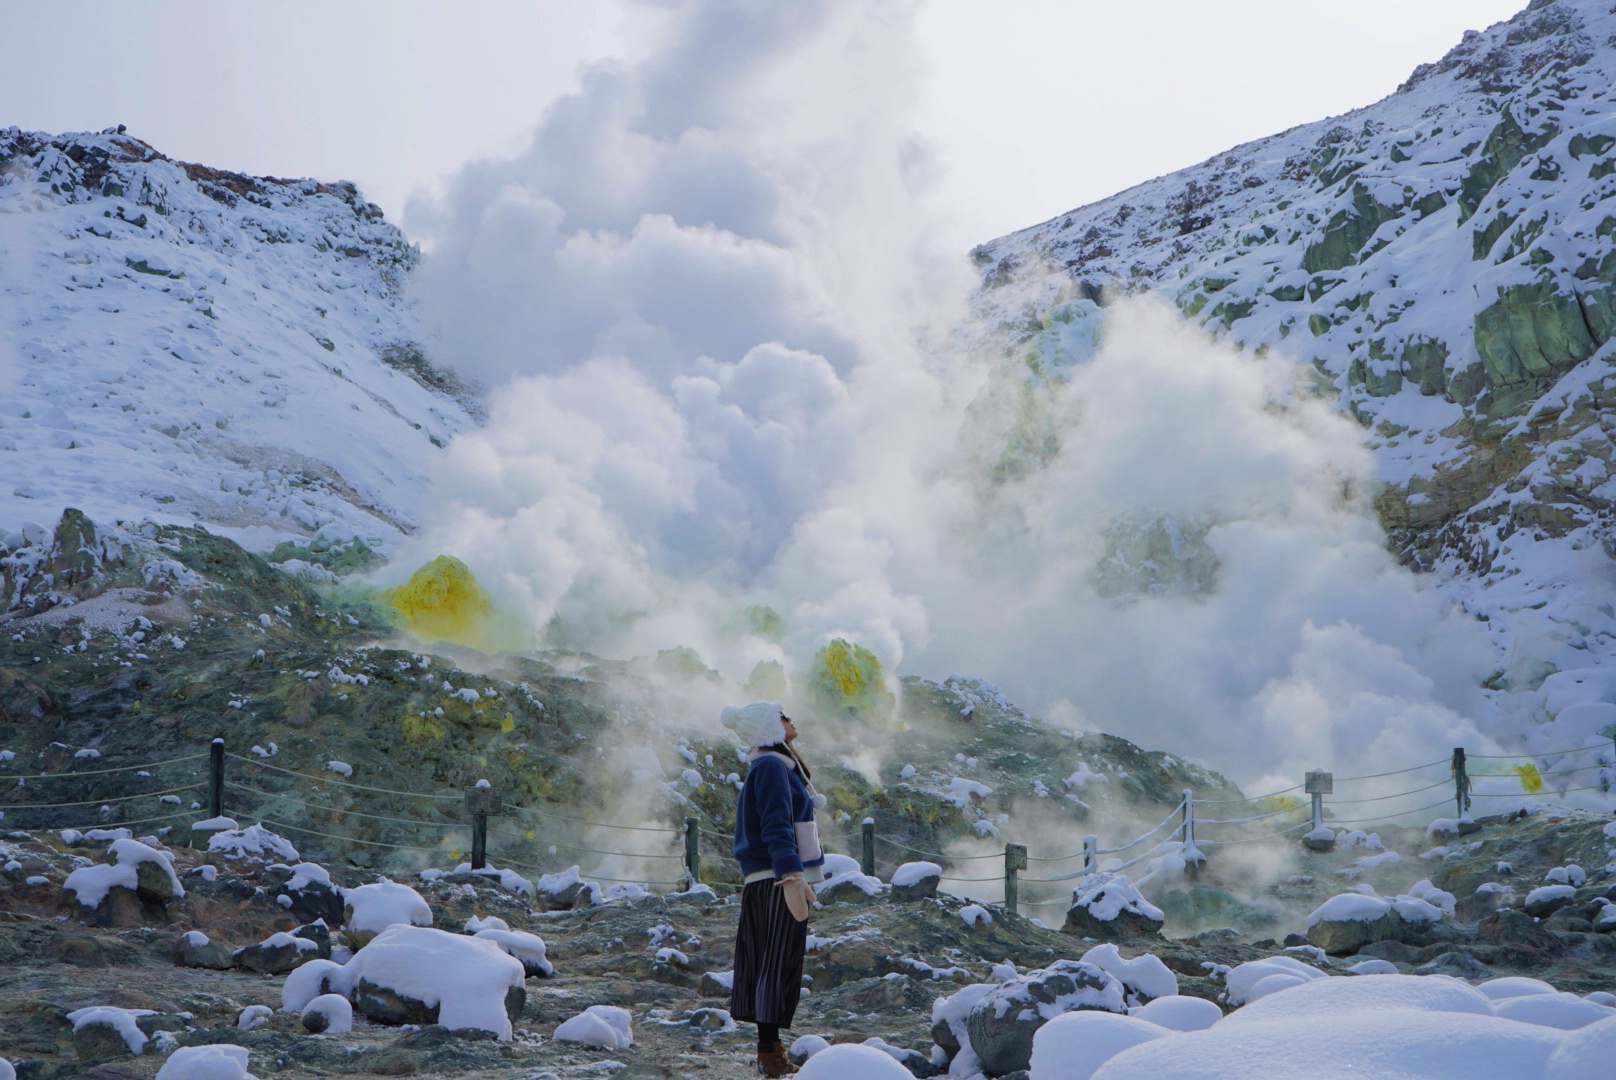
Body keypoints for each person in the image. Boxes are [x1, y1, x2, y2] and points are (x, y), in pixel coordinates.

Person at [722, 700, 826, 1078]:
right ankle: (770, 1058)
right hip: (776, 879)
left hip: (771, 877)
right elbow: (776, 825)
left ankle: (771, 1052)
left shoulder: (773, 765)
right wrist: (792, 875)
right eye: (783, 716)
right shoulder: (770, 766)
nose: (790, 720)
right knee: (775, 963)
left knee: (771, 962)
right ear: (769, 728)